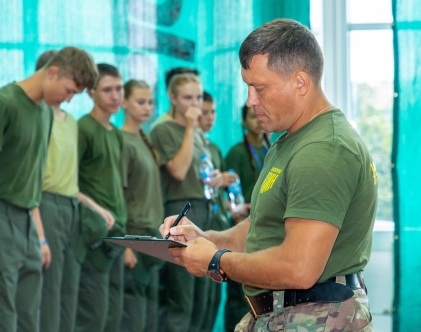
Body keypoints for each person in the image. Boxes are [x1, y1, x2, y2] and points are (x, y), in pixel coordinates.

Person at [160, 18, 377, 332]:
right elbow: (260, 230)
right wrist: (205, 239)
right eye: (248, 87)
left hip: (313, 319)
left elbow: (299, 267)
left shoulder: (323, 149)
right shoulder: (290, 141)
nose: (250, 101)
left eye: (259, 88)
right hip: (283, 315)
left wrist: (216, 260)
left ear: (300, 82)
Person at [0, 45, 97, 332]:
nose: (68, 100)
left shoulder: (44, 112)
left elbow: (31, 179)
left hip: (29, 222)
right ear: (52, 72)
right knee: (0, 315)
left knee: (30, 315)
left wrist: (41, 238)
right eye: (69, 91)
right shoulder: (2, 104)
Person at [35, 49, 106, 332]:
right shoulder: (38, 116)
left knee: (69, 289)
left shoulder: (71, 122)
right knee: (49, 290)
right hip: (45, 204)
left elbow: (69, 181)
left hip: (71, 207)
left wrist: (95, 207)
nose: (68, 97)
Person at [150, 73, 224, 332]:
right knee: (182, 297)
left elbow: (202, 172)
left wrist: (217, 179)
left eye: (199, 97)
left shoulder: (200, 135)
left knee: (203, 296)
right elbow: (179, 171)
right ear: (172, 98)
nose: (195, 104)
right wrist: (190, 128)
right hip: (179, 210)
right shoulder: (164, 130)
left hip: (204, 209)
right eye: (188, 97)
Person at [75, 63, 127, 332]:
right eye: (107, 90)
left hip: (118, 234)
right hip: (95, 236)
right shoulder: (82, 129)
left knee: (113, 317)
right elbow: (68, 184)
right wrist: (95, 210)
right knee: (92, 317)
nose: (115, 95)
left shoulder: (115, 134)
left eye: (119, 88)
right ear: (90, 93)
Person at [119, 80, 165, 332]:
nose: (147, 107)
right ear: (124, 103)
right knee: (133, 316)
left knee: (150, 317)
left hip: (152, 237)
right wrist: (126, 244)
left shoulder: (143, 140)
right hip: (135, 236)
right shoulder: (122, 141)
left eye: (150, 102)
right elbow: (120, 195)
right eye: (140, 102)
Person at [223, 103, 270, 331]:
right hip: (242, 227)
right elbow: (229, 196)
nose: (258, 120)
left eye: (260, 115)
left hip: (267, 231)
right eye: (252, 116)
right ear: (243, 122)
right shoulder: (237, 153)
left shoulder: (273, 149)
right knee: (239, 293)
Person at [198, 91, 237, 332]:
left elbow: (219, 192)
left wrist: (225, 184)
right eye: (204, 112)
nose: (210, 117)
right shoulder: (192, 146)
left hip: (217, 227)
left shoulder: (213, 148)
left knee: (212, 301)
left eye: (213, 111)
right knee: (195, 303)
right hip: (200, 227)